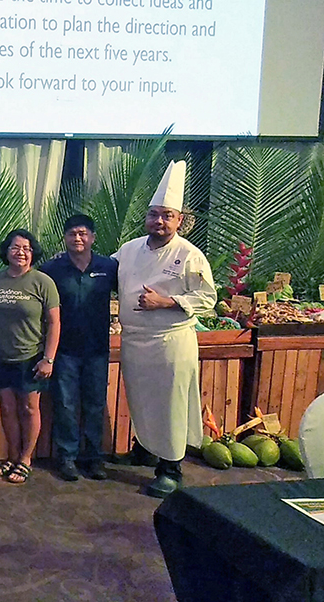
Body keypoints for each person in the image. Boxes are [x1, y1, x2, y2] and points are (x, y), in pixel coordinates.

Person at [113, 160, 217, 498]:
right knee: (140, 400)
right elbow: (103, 273)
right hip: (134, 341)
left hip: (170, 342)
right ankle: (144, 449)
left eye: (167, 215)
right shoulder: (129, 249)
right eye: (154, 214)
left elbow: (208, 298)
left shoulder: (189, 255)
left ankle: (170, 468)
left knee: (170, 404)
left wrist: (167, 302)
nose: (159, 221)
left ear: (179, 220)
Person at [40, 214, 117, 482]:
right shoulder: (52, 269)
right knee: (66, 404)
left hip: (98, 349)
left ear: (93, 237)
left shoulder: (109, 267)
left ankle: (93, 459)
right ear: (65, 237)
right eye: (72, 233)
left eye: (83, 233)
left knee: (95, 405)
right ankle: (68, 458)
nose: (78, 238)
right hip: (64, 351)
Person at [0, 229, 60, 484]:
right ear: (6, 251)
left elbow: (54, 323)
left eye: (26, 248)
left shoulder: (43, 282)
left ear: (33, 253)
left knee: (29, 408)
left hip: (31, 358)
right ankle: (12, 456)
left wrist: (48, 359)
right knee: (6, 408)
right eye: (15, 247)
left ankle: (26, 459)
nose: (21, 252)